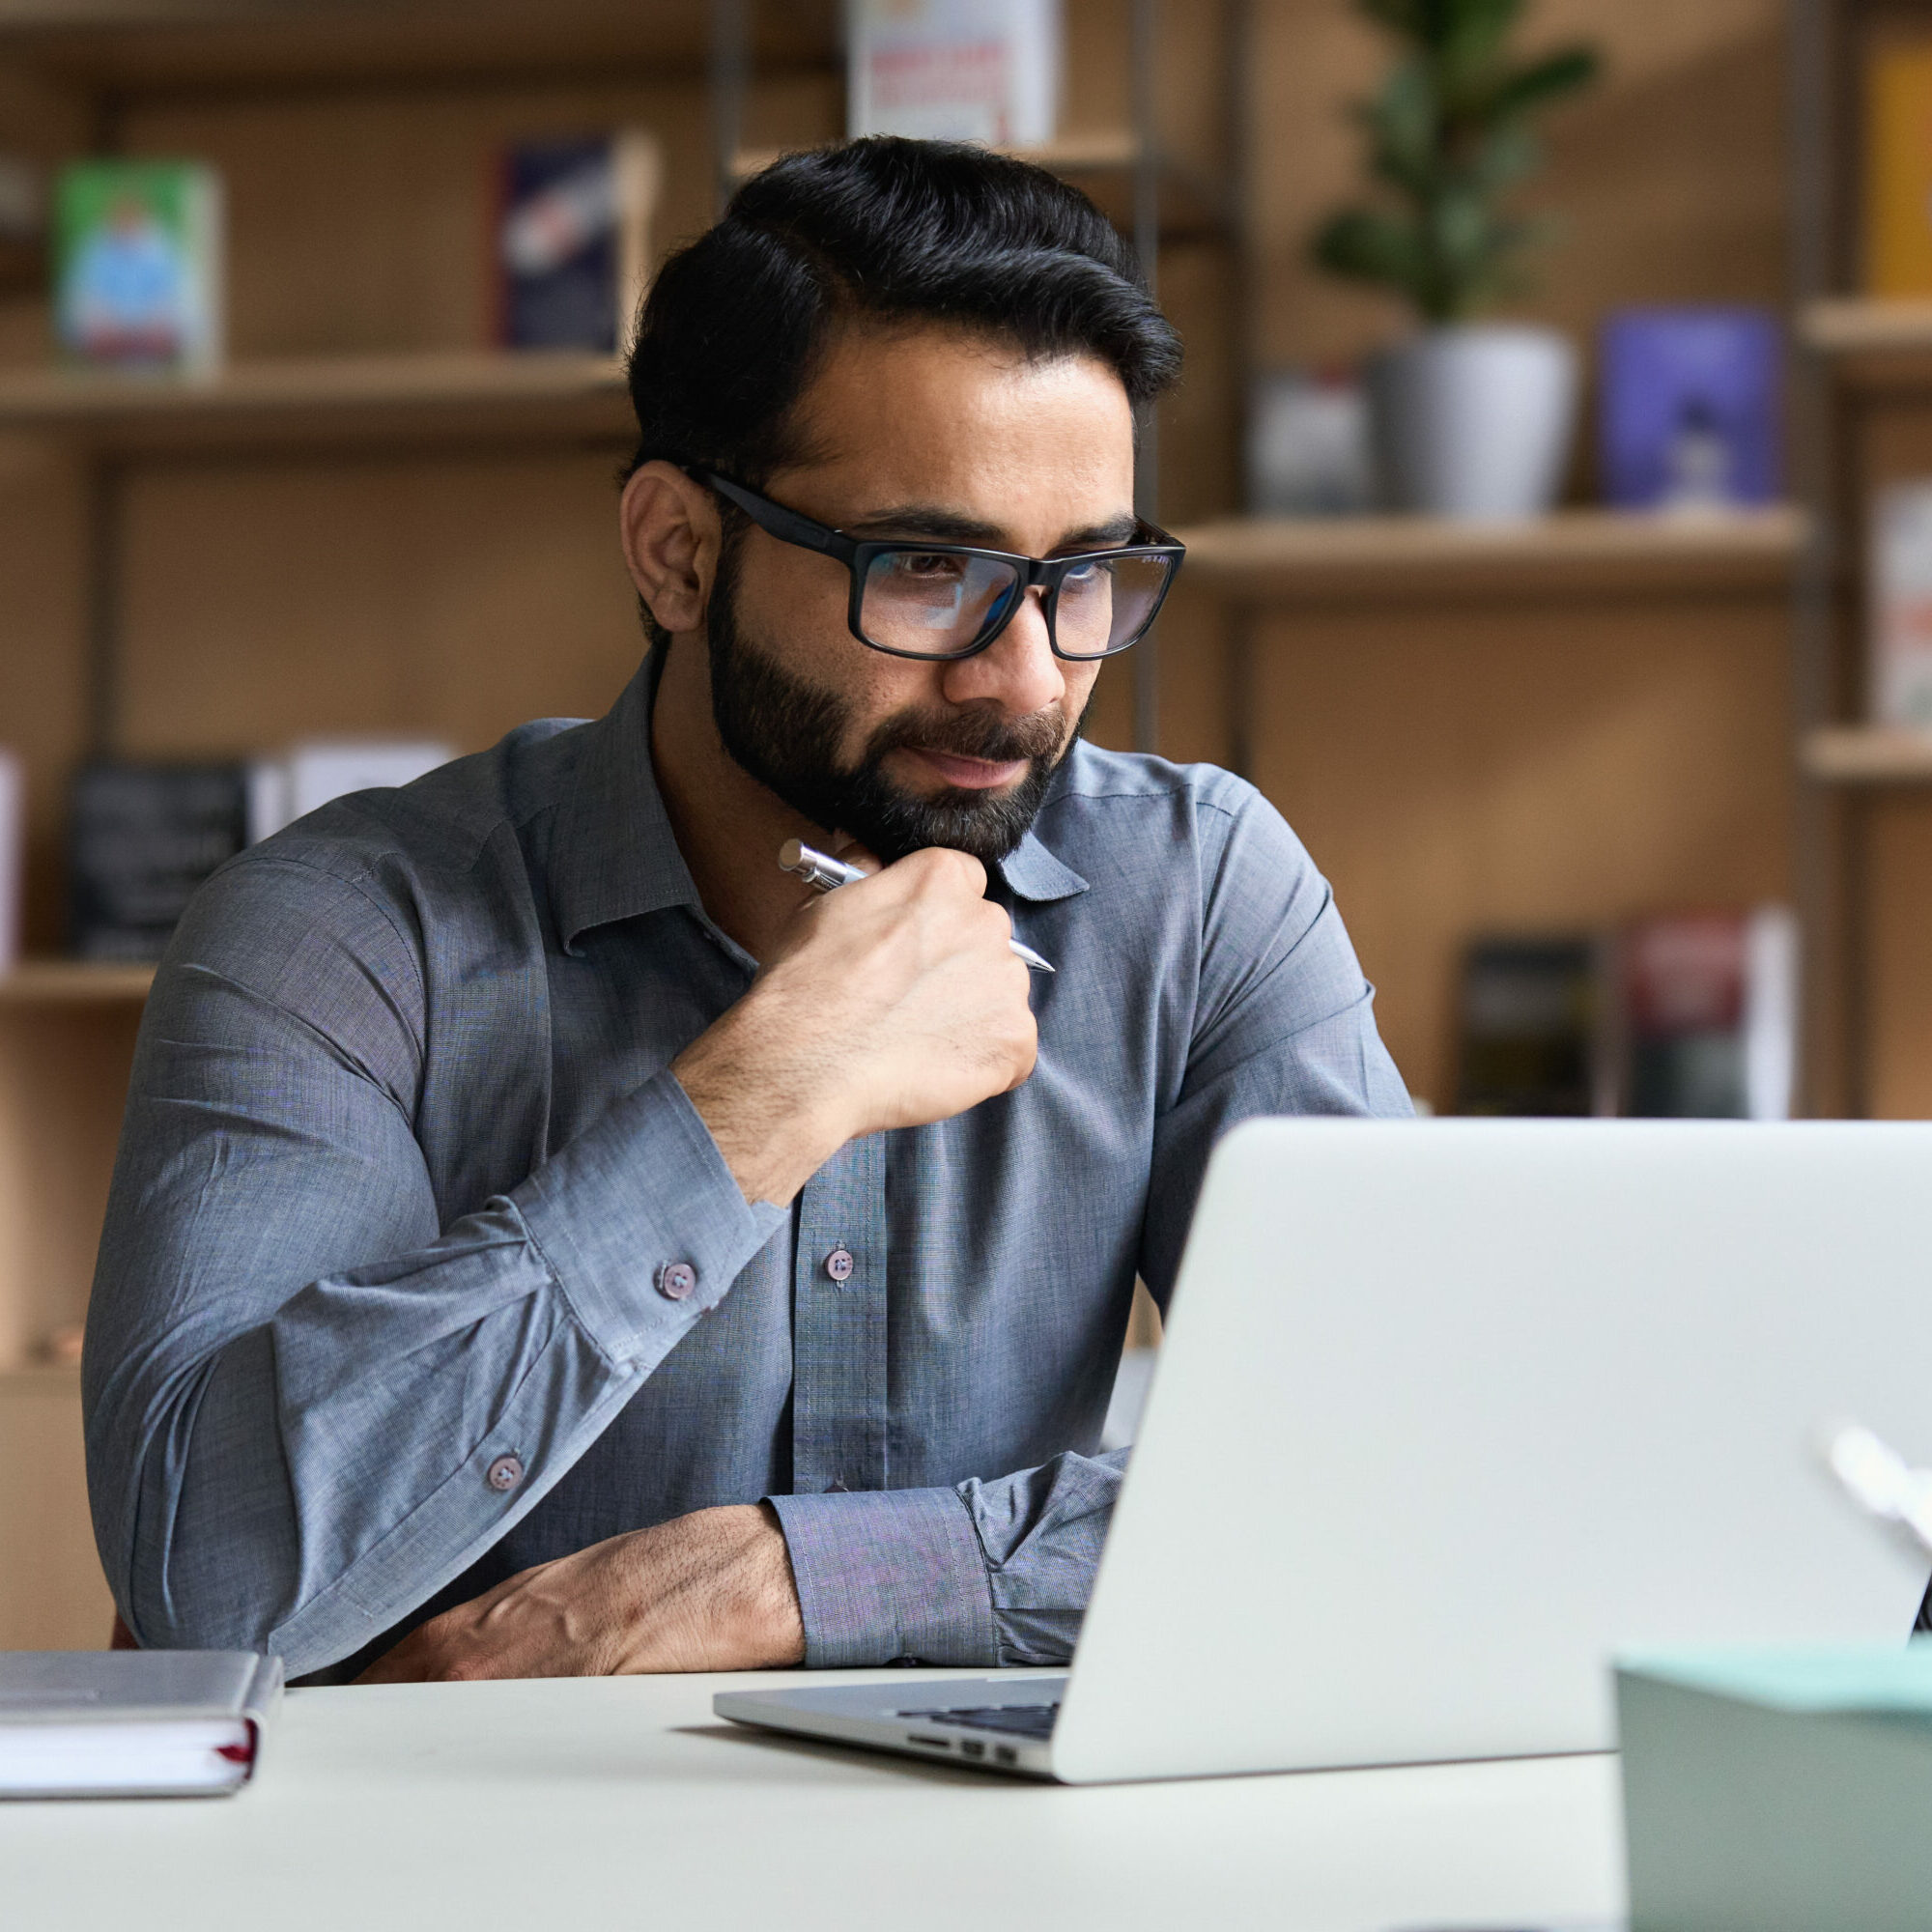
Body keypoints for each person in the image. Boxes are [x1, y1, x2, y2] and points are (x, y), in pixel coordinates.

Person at [83, 138, 1409, 1685]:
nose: (1032, 679)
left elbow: (1415, 1467)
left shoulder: (1198, 893)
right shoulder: (338, 935)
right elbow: (210, 1584)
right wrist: (755, 1103)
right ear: (677, 552)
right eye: (928, 568)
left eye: (1086, 577)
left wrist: (777, 1581)